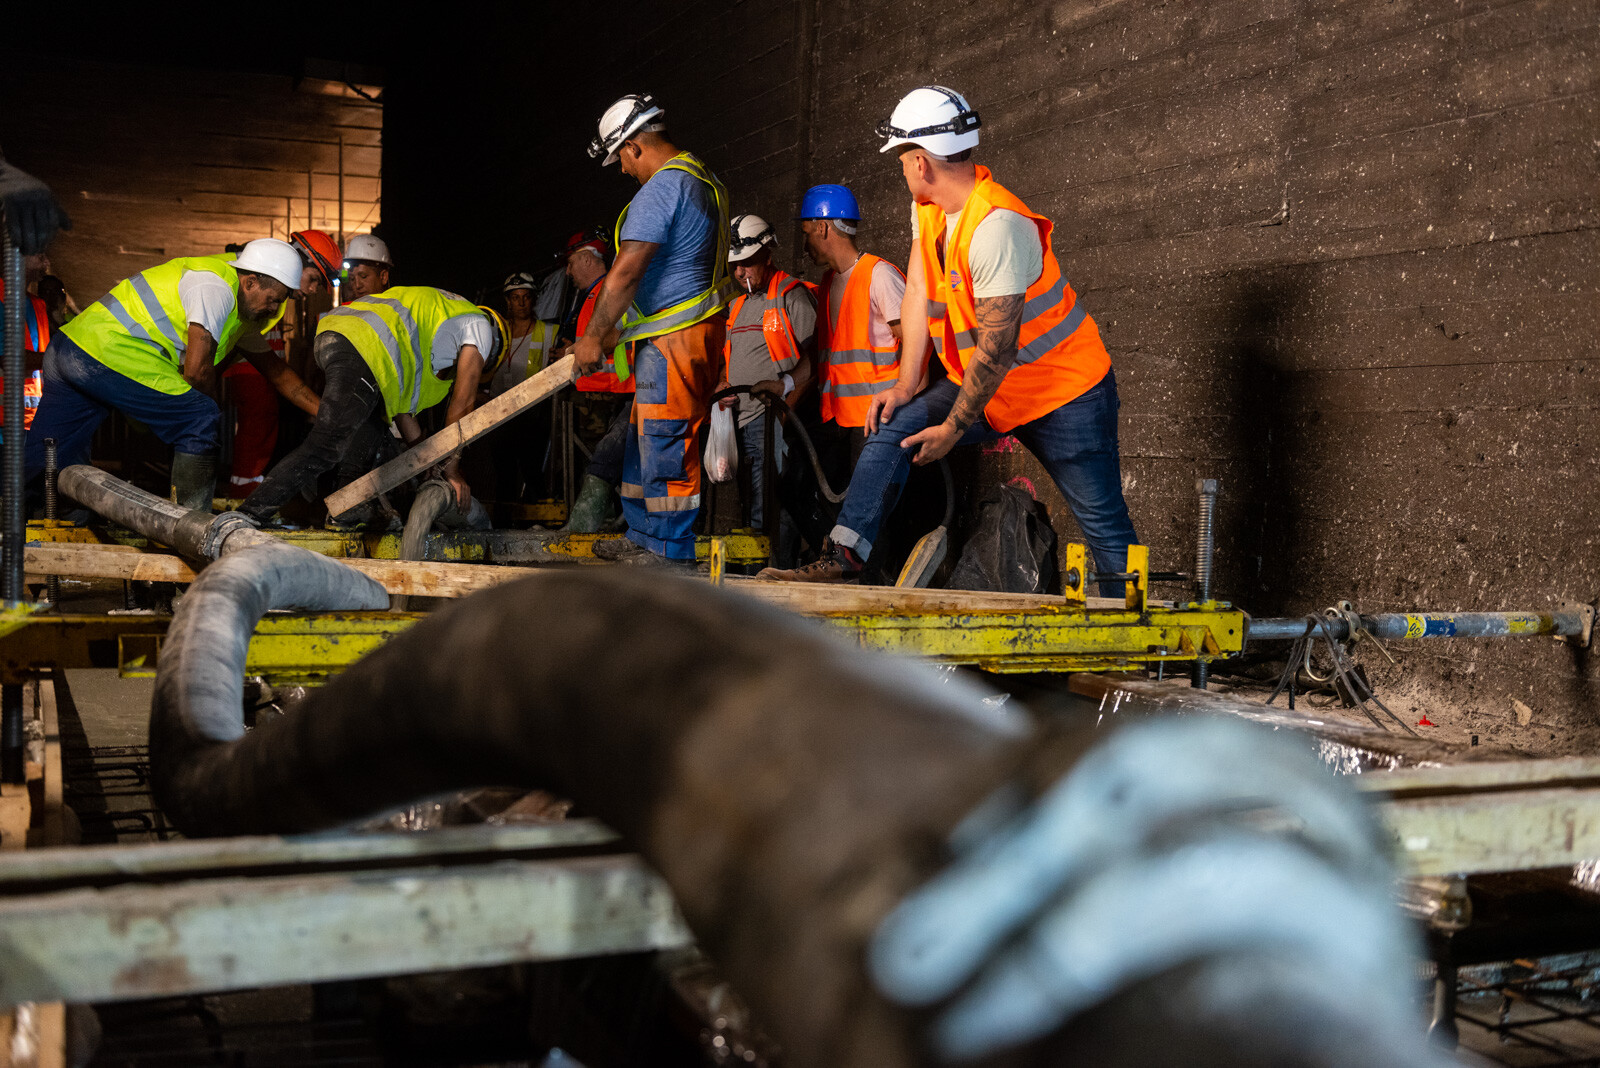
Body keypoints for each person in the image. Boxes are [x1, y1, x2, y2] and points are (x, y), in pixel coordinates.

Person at [760, 86, 1139, 591]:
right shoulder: (929, 208)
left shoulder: (997, 227)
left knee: (1106, 528)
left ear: (921, 163)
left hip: (1063, 393)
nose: (902, 170)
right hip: (985, 384)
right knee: (892, 423)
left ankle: (1131, 628)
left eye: (902, 160)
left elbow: (997, 348)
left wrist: (953, 428)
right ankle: (845, 556)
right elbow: (918, 291)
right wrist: (905, 384)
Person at [24, 239, 316, 510]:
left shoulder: (240, 319)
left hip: (68, 349)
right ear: (251, 282)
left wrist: (326, 412)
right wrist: (200, 416)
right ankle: (191, 525)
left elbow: (280, 375)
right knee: (200, 417)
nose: (275, 310)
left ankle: (24, 515)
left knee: (51, 448)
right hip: (107, 354)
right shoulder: (215, 287)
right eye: (273, 299)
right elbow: (197, 373)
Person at [572, 93, 735, 565]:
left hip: (673, 340)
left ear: (634, 146)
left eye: (621, 159)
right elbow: (671, 272)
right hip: (688, 334)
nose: (624, 170)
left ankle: (667, 548)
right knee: (645, 435)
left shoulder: (663, 187)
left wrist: (593, 336)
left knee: (664, 436)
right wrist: (615, 332)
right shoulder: (702, 179)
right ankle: (643, 533)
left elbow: (626, 271)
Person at [238, 286, 505, 527]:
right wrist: (452, 470)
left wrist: (429, 465)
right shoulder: (480, 325)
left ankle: (347, 507)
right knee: (326, 444)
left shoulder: (432, 331)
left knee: (373, 421)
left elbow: (401, 414)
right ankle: (249, 514)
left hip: (339, 333)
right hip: (363, 344)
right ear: (493, 349)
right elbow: (462, 404)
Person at [718, 213, 820, 556]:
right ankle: (760, 565)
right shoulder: (736, 306)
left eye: (746, 263)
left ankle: (773, 568)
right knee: (752, 500)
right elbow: (730, 358)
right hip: (740, 420)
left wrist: (784, 413)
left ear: (767, 255)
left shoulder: (790, 295)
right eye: (735, 266)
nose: (740, 273)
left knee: (773, 500)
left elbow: (815, 361)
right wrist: (723, 384)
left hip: (775, 418)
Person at [798, 183, 905, 480]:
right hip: (838, 419)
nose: (804, 245)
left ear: (822, 228)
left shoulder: (879, 275)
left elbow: (918, 341)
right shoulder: (828, 282)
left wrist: (907, 399)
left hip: (877, 420)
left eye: (806, 233)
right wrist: (783, 384)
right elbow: (822, 351)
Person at [224, 229, 341, 497]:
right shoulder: (257, 286)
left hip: (258, 368)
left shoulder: (271, 296)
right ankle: (244, 492)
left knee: (261, 423)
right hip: (250, 369)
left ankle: (246, 488)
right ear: (296, 260)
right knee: (257, 423)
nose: (312, 290)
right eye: (313, 279)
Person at [556, 230, 634, 532]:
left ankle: (596, 523)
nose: (568, 272)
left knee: (606, 458)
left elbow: (621, 336)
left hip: (614, 392)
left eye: (571, 263)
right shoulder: (595, 293)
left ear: (587, 259)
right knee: (603, 459)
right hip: (601, 393)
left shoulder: (611, 291)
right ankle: (605, 522)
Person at [485, 271, 560, 513]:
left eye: (526, 297)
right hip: (498, 414)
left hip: (532, 414)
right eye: (515, 297)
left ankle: (538, 517)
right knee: (503, 472)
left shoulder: (550, 333)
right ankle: (504, 519)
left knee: (532, 469)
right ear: (507, 301)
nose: (521, 303)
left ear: (534, 299)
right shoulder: (495, 334)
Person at [0, 250, 56, 433]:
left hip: (31, 422)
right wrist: (60, 358)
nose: (46, 263)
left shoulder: (38, 305)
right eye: (41, 256)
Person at [343, 233, 393, 300]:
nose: (357, 285)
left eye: (363, 276)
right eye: (352, 279)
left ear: (384, 277)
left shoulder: (400, 305)